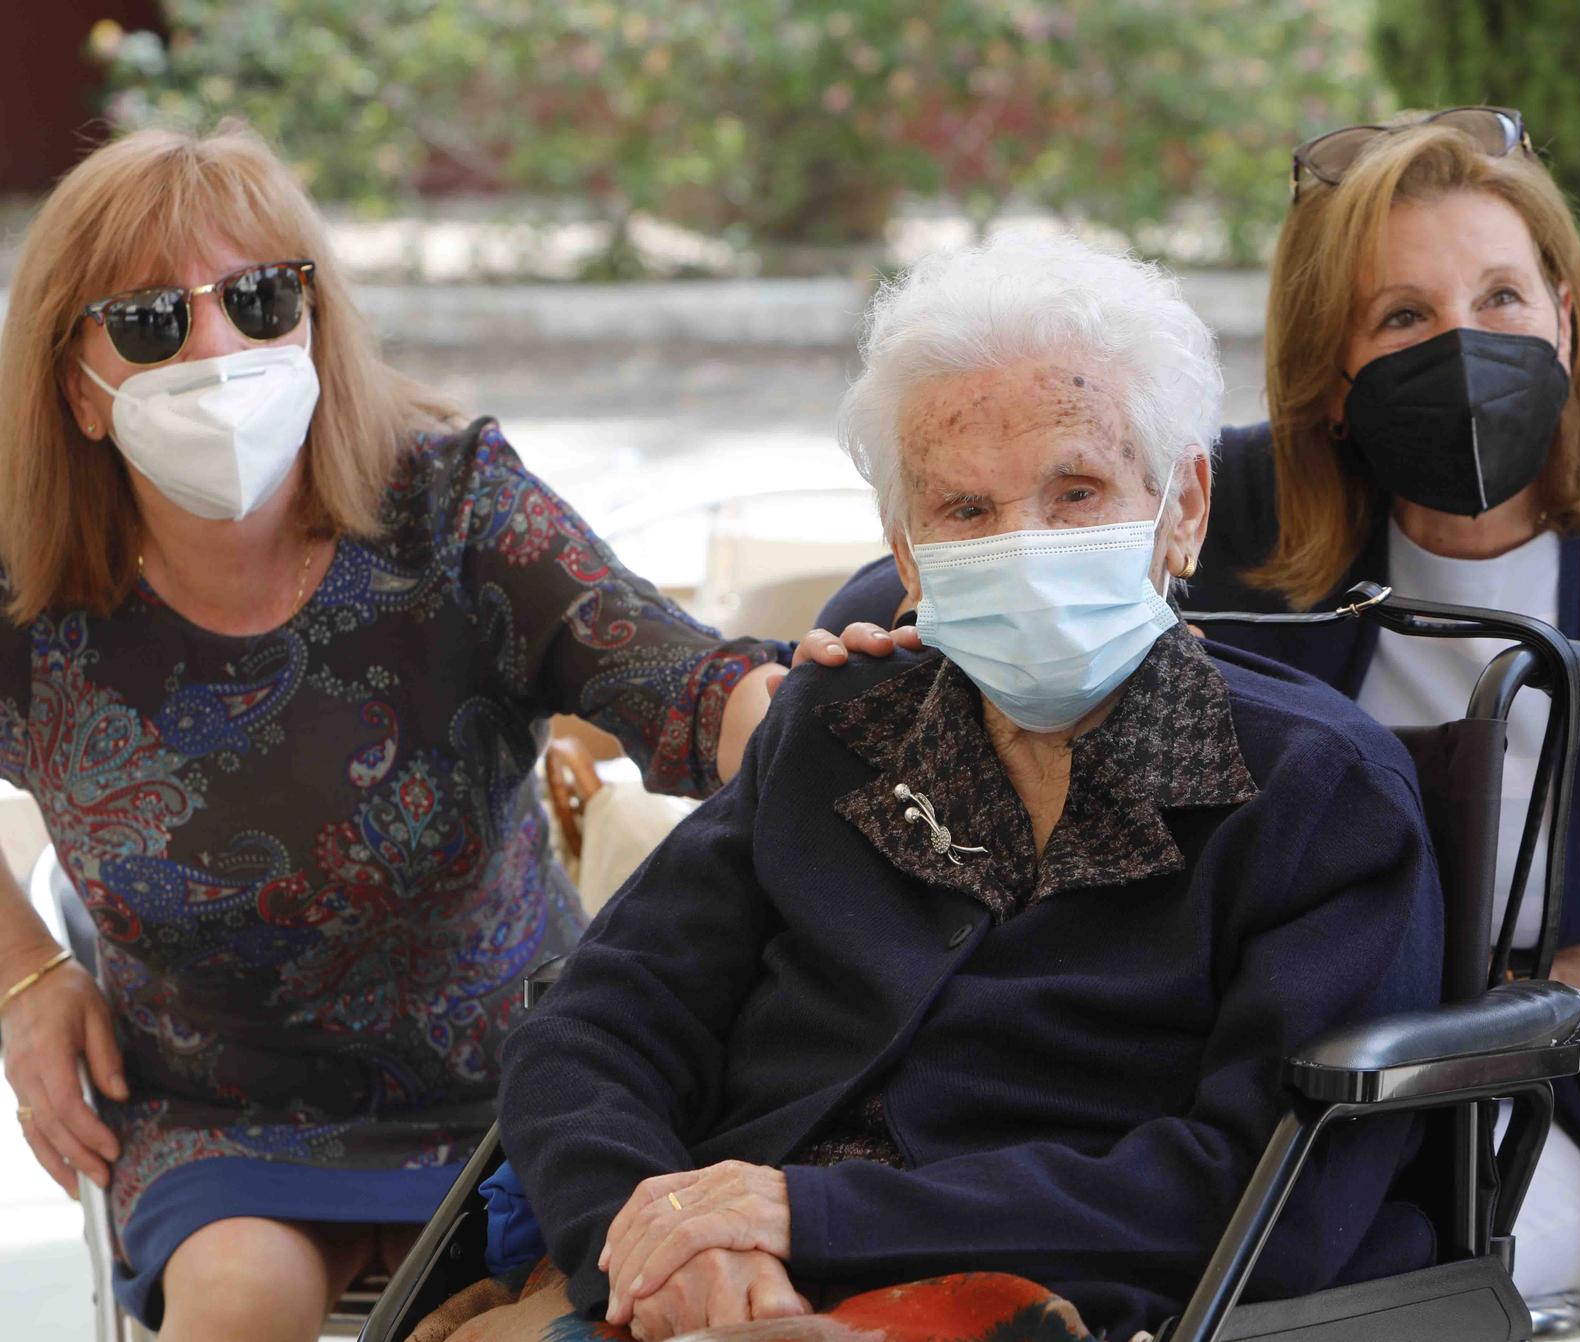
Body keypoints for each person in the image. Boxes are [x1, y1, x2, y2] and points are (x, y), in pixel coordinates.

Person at [0, 124, 857, 1342]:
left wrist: (808, 719)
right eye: (152, 322)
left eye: (260, 299)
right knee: (233, 1315)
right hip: (223, 1116)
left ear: (313, 318)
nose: (220, 351)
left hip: (532, 1091)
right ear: (74, 389)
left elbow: (669, 670)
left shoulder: (454, 509)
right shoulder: (17, 597)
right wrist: (27, 973)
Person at [817, 107, 1580, 1299]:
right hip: (1197, 1059)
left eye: (1499, 297)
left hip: (1507, 1101)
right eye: (1401, 317)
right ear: (1329, 377)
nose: (1462, 344)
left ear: (1563, 315)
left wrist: (1500, 1002)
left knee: (1270, 1284)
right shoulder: (1236, 507)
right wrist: (861, 636)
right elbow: (982, 538)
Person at [412, 233, 1446, 1342]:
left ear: (1182, 507)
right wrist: (650, 1234)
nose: (1024, 545)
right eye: (964, 511)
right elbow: (600, 1021)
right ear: (903, 553)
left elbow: (1259, 1186)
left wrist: (807, 1218)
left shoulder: (1311, 792)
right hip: (709, 1294)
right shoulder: (841, 727)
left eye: (1077, 488)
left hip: (1047, 1302)